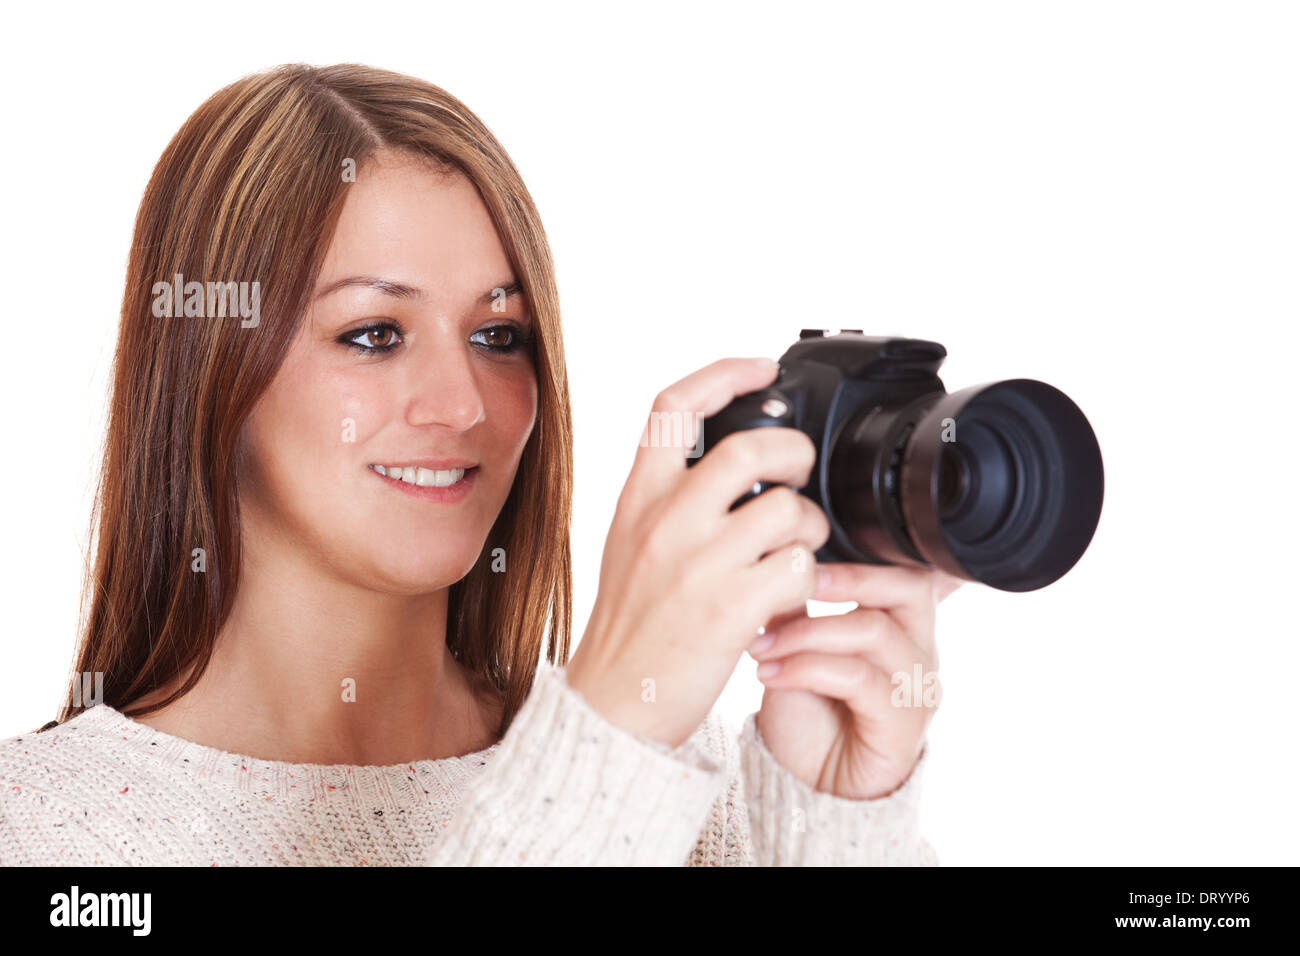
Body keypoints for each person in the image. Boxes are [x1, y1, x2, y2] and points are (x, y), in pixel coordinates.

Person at [0, 63, 959, 866]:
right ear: (210, 370)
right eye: (375, 334)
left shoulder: (677, 791)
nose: (463, 405)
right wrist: (604, 742)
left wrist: (832, 824)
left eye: (500, 335)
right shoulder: (47, 833)